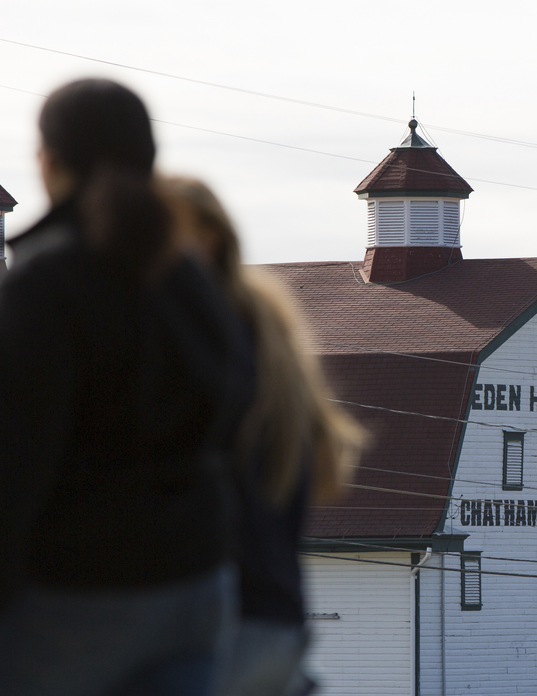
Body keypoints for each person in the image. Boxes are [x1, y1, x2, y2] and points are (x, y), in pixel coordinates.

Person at [0, 79, 254, 696]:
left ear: (48, 162)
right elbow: (231, 420)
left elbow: (11, 476)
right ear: (151, 161)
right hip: (195, 583)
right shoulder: (190, 280)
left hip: (69, 590)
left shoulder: (37, 288)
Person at [160, 176, 367, 696]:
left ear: (206, 238)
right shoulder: (265, 333)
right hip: (274, 620)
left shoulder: (194, 337)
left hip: (213, 624)